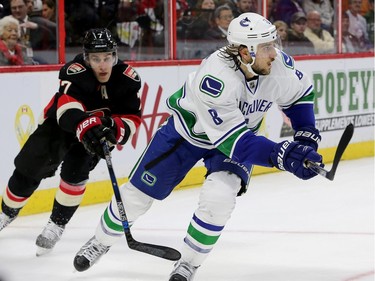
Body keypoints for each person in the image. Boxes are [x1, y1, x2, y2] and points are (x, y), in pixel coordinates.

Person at [73, 12, 323, 281]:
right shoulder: (216, 79)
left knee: (219, 198)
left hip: (238, 136)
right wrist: (282, 156)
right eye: (266, 47)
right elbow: (234, 142)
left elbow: (300, 93)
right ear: (244, 51)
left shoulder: (277, 65)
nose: (274, 53)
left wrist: (306, 134)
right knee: (135, 197)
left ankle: (189, 263)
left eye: (273, 44)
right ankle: (100, 240)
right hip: (187, 134)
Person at [0, 28, 142, 257]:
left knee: (75, 175)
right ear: (86, 57)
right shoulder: (74, 72)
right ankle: (7, 213)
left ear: (115, 56)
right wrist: (85, 126)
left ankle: (57, 224)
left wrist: (113, 129)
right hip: (61, 127)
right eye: (96, 59)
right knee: (29, 169)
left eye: (107, 58)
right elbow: (67, 109)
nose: (103, 65)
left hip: (96, 134)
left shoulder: (128, 78)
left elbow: (132, 119)